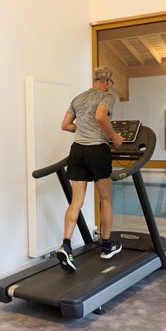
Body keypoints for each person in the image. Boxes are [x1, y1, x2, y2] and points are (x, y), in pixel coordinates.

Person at [57, 66, 125, 273]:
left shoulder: (78, 98)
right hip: (97, 150)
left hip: (77, 150)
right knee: (105, 198)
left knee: (76, 201)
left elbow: (65, 125)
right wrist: (115, 137)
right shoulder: (107, 97)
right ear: (106, 81)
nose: (110, 86)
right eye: (110, 82)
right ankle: (107, 245)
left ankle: (66, 245)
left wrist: (84, 129)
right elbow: (101, 116)